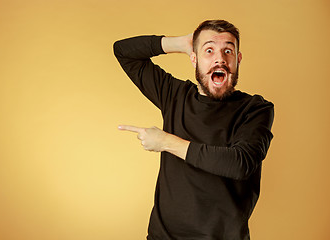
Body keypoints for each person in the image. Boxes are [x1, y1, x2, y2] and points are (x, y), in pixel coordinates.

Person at [113, 20, 274, 240]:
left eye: (228, 50)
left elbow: (240, 163)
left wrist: (165, 142)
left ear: (238, 59)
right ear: (194, 59)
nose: (220, 58)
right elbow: (123, 51)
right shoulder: (174, 95)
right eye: (209, 50)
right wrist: (180, 43)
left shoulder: (255, 109)